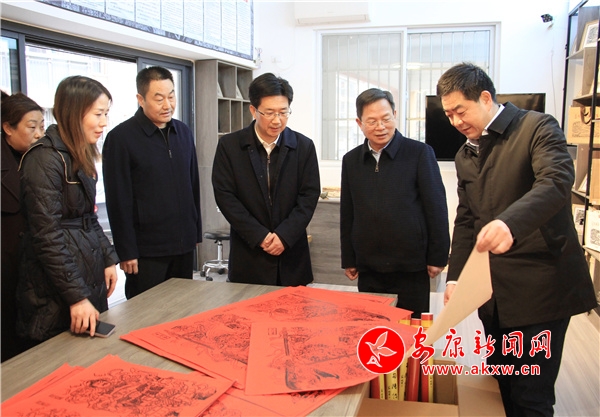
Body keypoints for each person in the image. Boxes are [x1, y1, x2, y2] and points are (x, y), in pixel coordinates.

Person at [437, 62, 597, 417]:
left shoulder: (536, 126)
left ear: (485, 97)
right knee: (500, 382)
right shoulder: (466, 154)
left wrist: (509, 224)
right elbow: (467, 219)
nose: (455, 122)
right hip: (492, 291)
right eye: (448, 115)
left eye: (460, 111)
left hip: (541, 288)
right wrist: (456, 277)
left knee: (530, 396)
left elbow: (555, 182)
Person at [17, 76, 119, 345]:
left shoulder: (78, 154)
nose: (104, 123)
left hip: (85, 270)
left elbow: (89, 217)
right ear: (74, 112)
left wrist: (108, 258)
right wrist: (77, 296)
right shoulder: (44, 159)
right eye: (98, 114)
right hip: (55, 288)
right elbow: (47, 236)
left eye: (106, 114)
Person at [340, 88, 450, 317]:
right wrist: (349, 258)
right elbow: (348, 212)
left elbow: (436, 207)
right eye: (372, 121)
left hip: (411, 265)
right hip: (369, 265)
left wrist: (438, 256)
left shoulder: (419, 153)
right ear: (360, 123)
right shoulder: (351, 160)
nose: (380, 127)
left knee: (411, 326)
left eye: (386, 118)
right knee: (373, 327)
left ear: (395, 115)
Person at [212, 72, 320, 286]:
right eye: (269, 113)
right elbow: (225, 197)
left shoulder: (303, 146)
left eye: (283, 112)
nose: (277, 120)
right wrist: (260, 236)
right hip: (249, 253)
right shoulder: (230, 147)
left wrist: (284, 236)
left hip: (291, 255)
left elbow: (308, 197)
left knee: (293, 307)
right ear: (253, 110)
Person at [103, 66, 201, 299]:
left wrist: (195, 232)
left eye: (171, 96)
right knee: (147, 312)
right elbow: (118, 200)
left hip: (183, 245)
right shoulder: (121, 138)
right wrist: (126, 250)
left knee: (183, 308)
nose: (168, 105)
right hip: (146, 251)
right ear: (141, 99)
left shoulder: (183, 132)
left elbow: (193, 185)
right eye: (159, 99)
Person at [1, 91, 45, 361]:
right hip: (7, 268)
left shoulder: (40, 159)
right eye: (32, 127)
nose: (39, 134)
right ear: (8, 128)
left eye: (41, 126)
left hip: (34, 267)